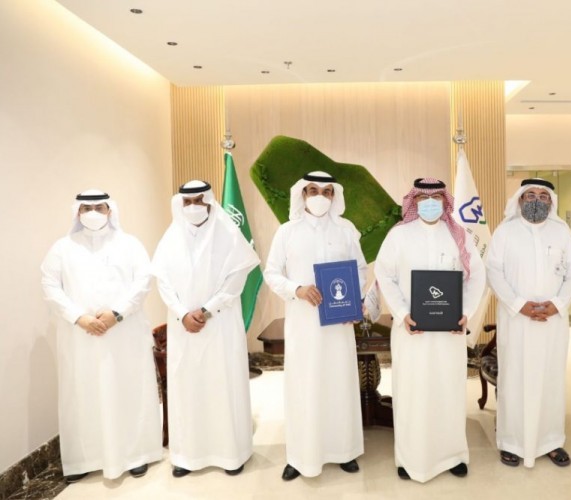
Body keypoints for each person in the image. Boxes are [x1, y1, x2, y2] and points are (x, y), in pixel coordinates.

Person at [41, 190, 162, 483]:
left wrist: (116, 314)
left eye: (99, 207)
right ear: (77, 212)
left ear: (110, 210)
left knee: (128, 389)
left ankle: (135, 455)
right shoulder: (62, 248)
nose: (93, 213)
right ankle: (84, 458)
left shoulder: (129, 244)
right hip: (80, 336)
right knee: (82, 393)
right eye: (86, 208)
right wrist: (79, 317)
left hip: (124, 333)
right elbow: (50, 285)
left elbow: (143, 282)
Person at [374, 178, 486, 483]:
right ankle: (409, 459)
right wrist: (402, 313)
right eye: (424, 198)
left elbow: (477, 275)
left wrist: (465, 312)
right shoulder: (399, 235)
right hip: (412, 333)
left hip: (449, 334)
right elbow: (384, 274)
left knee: (448, 391)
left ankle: (453, 456)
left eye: (437, 197)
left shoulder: (459, 235)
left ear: (446, 201)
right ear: (414, 201)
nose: (431, 203)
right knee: (412, 393)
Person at [151, 180, 260, 478]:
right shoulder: (171, 238)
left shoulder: (228, 234)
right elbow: (163, 284)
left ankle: (230, 454)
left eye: (199, 200)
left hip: (220, 325)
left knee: (222, 385)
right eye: (187, 202)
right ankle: (187, 457)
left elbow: (236, 281)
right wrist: (183, 314)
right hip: (183, 328)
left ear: (210, 202)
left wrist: (206, 310)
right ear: (180, 204)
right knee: (188, 389)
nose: (193, 207)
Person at [263, 172, 367, 481]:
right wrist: (296, 289)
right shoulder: (287, 232)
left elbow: (360, 270)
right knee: (304, 386)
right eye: (313, 190)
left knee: (339, 383)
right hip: (303, 324)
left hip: (338, 326)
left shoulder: (346, 230)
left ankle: (344, 451)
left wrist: (354, 301)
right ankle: (300, 457)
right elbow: (271, 273)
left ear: (334, 196)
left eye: (327, 191)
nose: (320, 196)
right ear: (303, 194)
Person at [485, 179, 571, 469]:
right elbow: (494, 272)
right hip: (517, 320)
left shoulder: (562, 232)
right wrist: (520, 305)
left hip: (552, 321)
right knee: (514, 379)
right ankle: (511, 442)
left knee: (551, 380)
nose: (536, 200)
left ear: (551, 202)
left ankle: (551, 441)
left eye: (543, 196)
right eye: (530, 195)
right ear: (520, 199)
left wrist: (557, 304)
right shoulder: (505, 232)